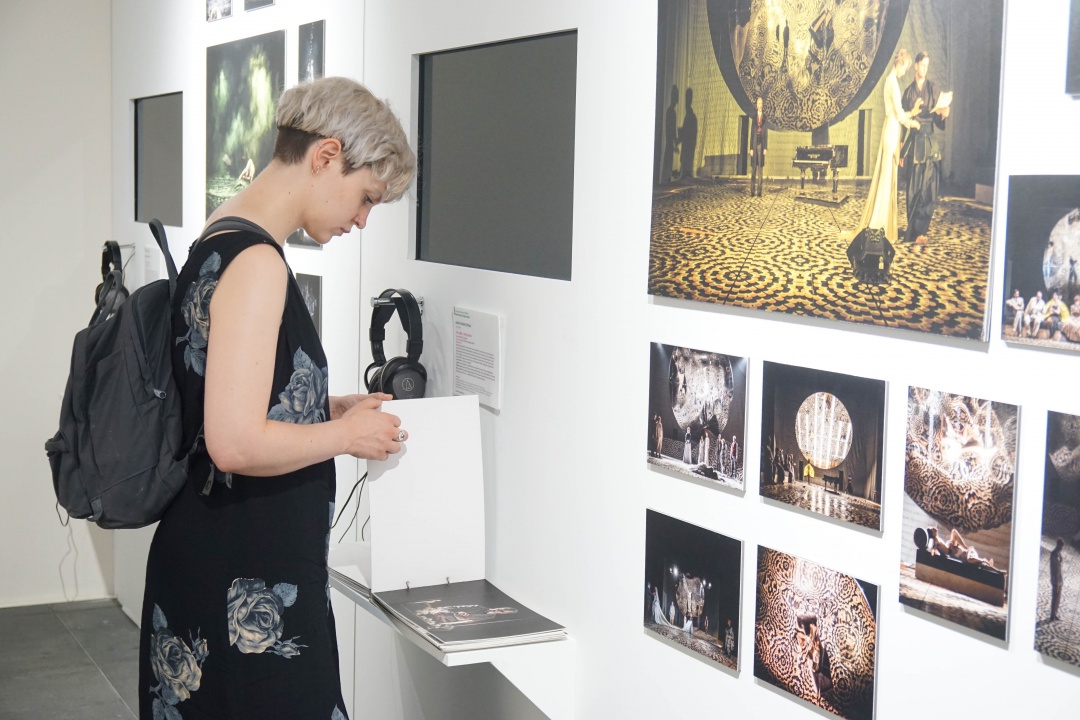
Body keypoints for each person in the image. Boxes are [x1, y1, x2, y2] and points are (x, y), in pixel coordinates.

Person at [139, 77, 416, 720]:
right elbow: (234, 443)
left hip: (219, 559)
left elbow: (228, 395)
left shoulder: (221, 234)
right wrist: (345, 436)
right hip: (242, 572)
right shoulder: (259, 263)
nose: (361, 220)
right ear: (326, 155)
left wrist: (322, 409)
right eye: (366, 197)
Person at [852, 49, 921, 244]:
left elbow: (897, 113)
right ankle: (879, 223)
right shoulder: (892, 82)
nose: (905, 72)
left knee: (888, 179)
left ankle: (882, 223)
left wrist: (911, 112)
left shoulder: (891, 81)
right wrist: (912, 122)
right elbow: (898, 115)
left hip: (891, 128)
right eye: (905, 68)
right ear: (900, 64)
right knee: (886, 179)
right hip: (891, 131)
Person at [901, 51, 949, 244]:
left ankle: (921, 231)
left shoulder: (933, 89)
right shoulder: (908, 92)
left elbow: (938, 120)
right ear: (916, 66)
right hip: (914, 142)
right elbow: (902, 121)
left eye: (927, 66)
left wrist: (943, 114)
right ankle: (912, 231)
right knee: (913, 189)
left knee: (929, 189)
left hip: (930, 142)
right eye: (922, 65)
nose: (924, 69)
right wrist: (901, 149)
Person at [660, 85, 679, 185]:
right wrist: (674, 141)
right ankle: (666, 179)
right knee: (668, 159)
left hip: (670, 140)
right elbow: (670, 128)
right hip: (669, 140)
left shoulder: (671, 111)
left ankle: (666, 179)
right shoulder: (670, 111)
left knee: (669, 160)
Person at [678, 87, 698, 181]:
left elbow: (691, 132)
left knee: (687, 157)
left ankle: (686, 173)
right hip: (687, 142)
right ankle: (685, 173)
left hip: (689, 142)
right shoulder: (689, 115)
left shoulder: (691, 115)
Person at [749, 96, 767, 197]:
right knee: (753, 169)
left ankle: (759, 191)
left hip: (761, 145)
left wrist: (765, 148)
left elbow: (766, 134)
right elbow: (752, 134)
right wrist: (751, 148)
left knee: (760, 169)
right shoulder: (753, 118)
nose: (760, 105)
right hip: (754, 145)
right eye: (758, 103)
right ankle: (752, 190)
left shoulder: (764, 118)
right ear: (756, 105)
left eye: (761, 103)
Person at [1050, 538, 1065, 621]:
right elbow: (1054, 567)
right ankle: (1052, 615)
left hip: (1059, 578)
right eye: (1061, 546)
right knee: (1055, 597)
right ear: (1058, 545)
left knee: (1058, 597)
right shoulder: (1053, 554)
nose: (1061, 548)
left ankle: (1055, 613)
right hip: (1055, 579)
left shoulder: (1059, 554)